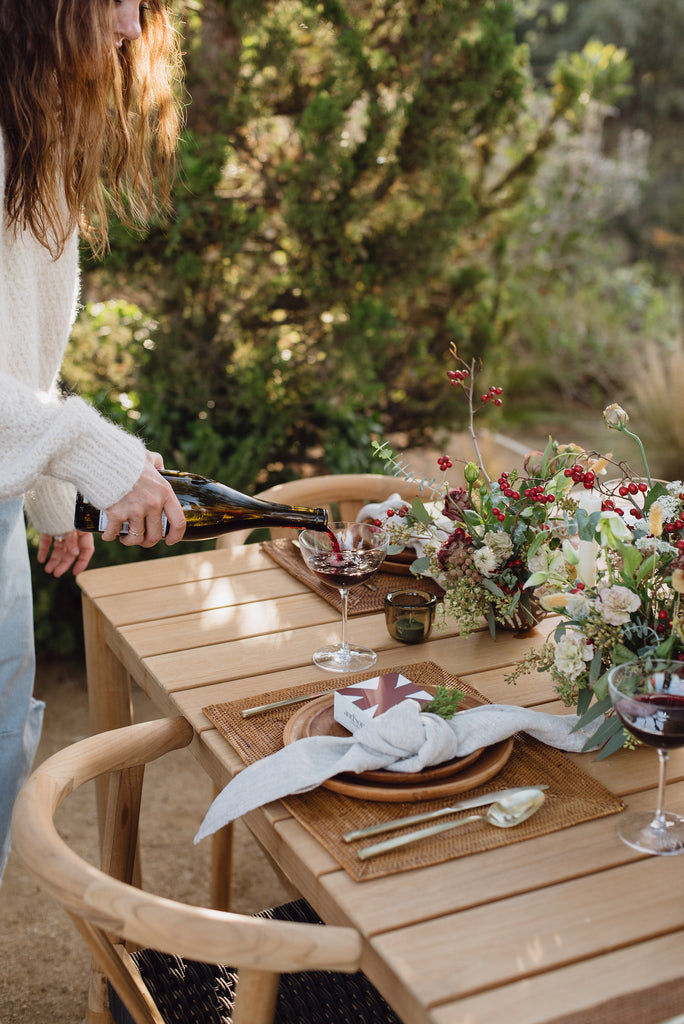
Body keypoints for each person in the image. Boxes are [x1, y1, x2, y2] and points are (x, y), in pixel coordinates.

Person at [0, 0, 188, 883]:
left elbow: (17, 349)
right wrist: (93, 458)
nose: (129, 26)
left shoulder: (31, 126)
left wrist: (45, 489)